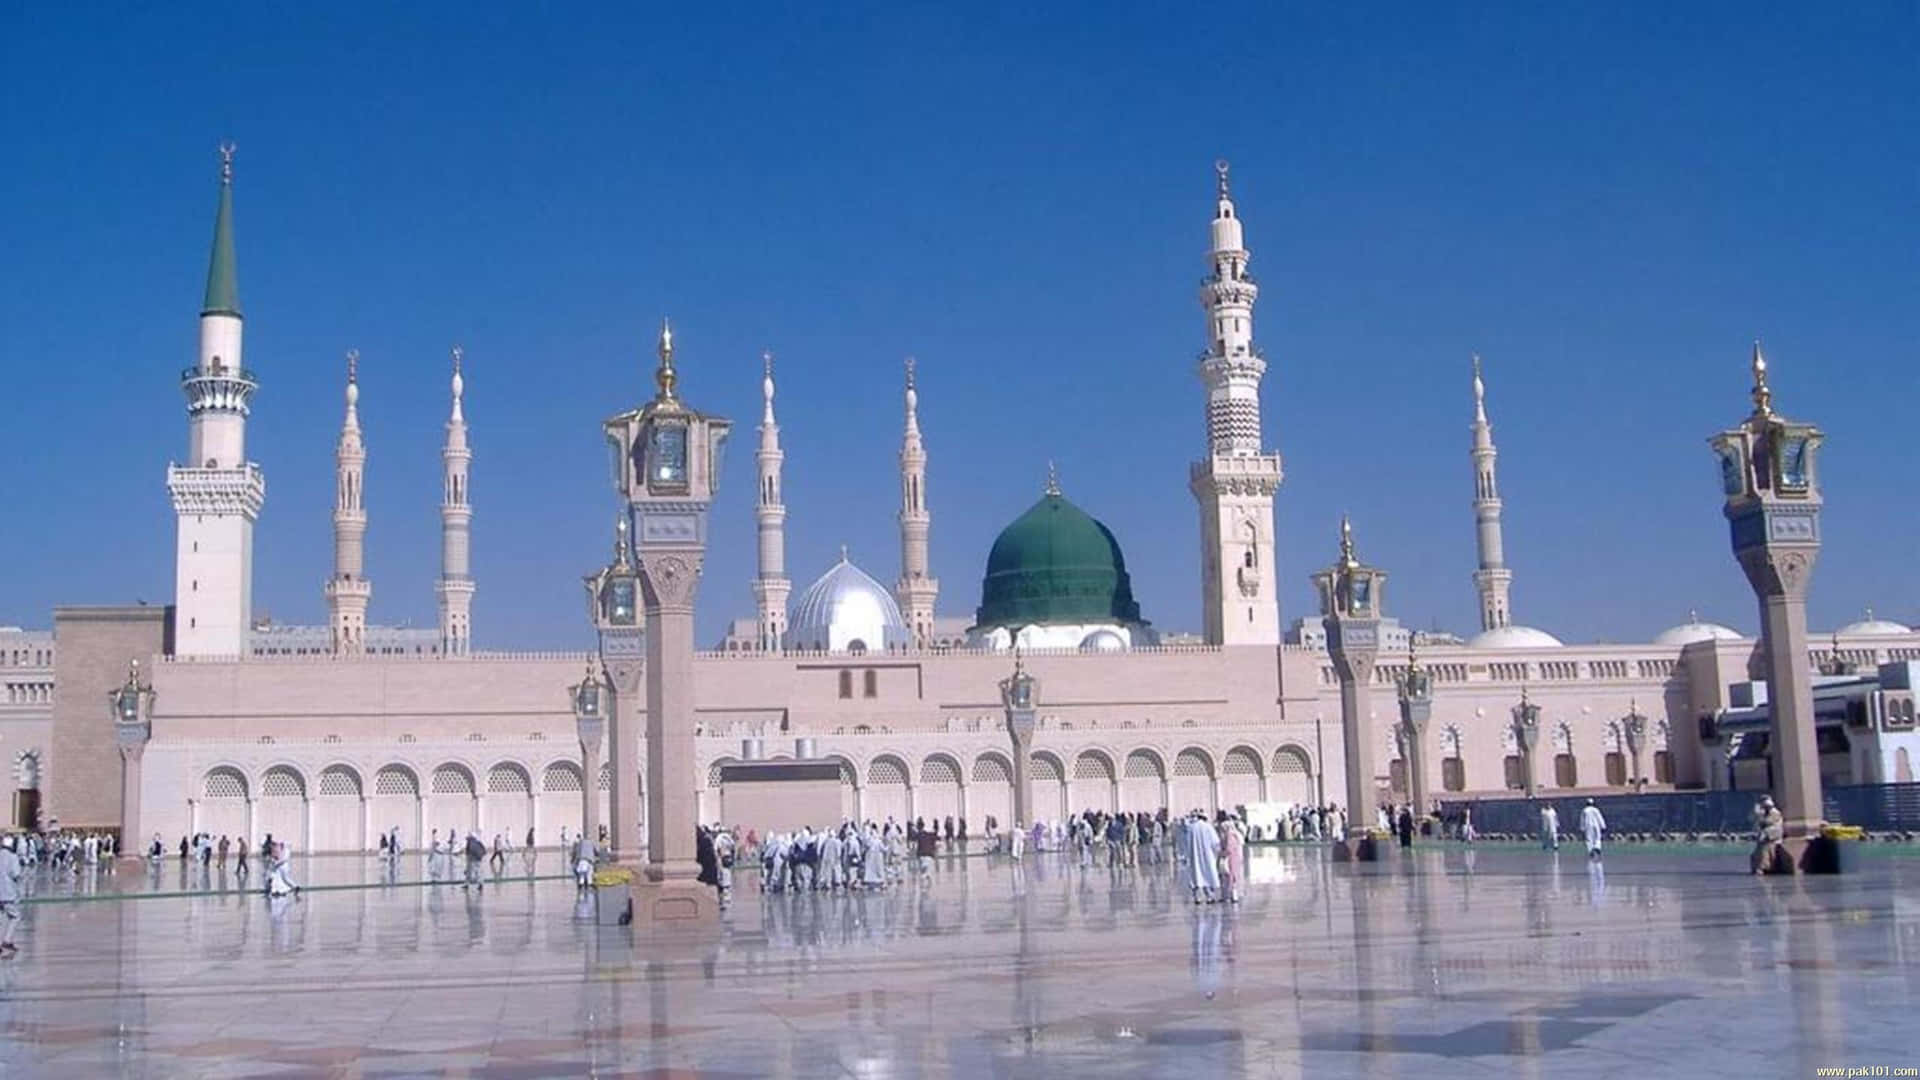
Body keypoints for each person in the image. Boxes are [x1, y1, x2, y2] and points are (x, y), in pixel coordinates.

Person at [1184, 812, 1222, 904]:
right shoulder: (1208, 827)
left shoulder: (1191, 828)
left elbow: (1186, 843)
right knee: (1207, 874)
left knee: (1196, 876)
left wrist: (1186, 855)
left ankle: (1197, 897)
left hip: (1194, 856)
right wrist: (1218, 852)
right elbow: (1215, 842)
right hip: (1207, 855)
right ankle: (1209, 896)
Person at [1751, 796, 1785, 875]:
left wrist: (1759, 815)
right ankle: (1759, 866)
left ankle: (1763, 867)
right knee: (1759, 849)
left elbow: (1767, 822)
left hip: (1773, 835)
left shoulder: (1775, 813)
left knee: (1765, 849)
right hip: (1767, 835)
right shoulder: (1765, 813)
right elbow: (1760, 823)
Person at [0, 836, 22, 956]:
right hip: (7, 893)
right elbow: (16, 874)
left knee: (2, 918)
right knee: (15, 917)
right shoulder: (12, 857)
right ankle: (7, 941)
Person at [1218, 815, 1246, 904]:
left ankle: (1230, 896)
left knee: (1229, 877)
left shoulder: (1229, 835)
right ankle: (1233, 895)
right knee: (1233, 877)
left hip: (1230, 859)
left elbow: (1228, 848)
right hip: (1236, 858)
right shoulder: (1236, 834)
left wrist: (1221, 853)